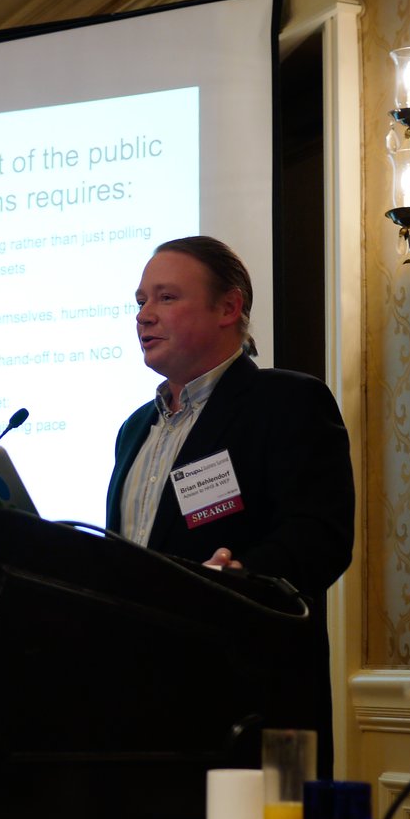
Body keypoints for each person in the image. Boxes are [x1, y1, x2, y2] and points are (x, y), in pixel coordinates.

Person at [105, 235, 354, 774]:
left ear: (229, 307)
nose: (144, 316)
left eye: (165, 298)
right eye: (140, 301)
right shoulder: (134, 432)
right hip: (139, 706)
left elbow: (320, 536)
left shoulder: (286, 402)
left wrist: (240, 577)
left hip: (248, 704)